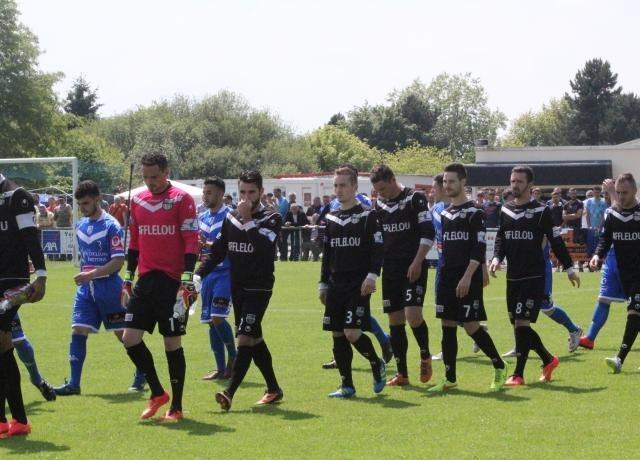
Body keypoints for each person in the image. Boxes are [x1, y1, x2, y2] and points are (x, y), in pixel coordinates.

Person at [120, 152, 199, 422]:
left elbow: (191, 241)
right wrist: (128, 277)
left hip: (173, 283)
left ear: (166, 172)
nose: (150, 182)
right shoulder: (138, 200)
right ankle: (157, 392)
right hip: (146, 281)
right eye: (145, 177)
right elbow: (134, 244)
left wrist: (187, 278)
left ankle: (175, 406)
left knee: (171, 343)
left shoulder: (182, 199)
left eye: (154, 176)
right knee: (129, 339)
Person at [197, 171, 283, 411]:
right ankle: (274, 389)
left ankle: (229, 392)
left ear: (261, 192)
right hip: (238, 286)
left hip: (260, 286)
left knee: (244, 337)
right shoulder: (231, 217)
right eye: (242, 192)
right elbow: (218, 251)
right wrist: (198, 273)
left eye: (251, 192)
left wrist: (247, 221)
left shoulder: (272, 218)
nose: (246, 197)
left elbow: (264, 249)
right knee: (254, 338)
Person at [489, 166, 579, 386]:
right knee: (519, 326)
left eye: (519, 181)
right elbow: (501, 237)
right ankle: (548, 359)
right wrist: (496, 258)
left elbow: (555, 240)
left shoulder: (541, 211)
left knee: (521, 323)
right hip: (513, 276)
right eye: (513, 181)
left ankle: (518, 374)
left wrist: (568, 267)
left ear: (530, 185)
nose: (515, 185)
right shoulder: (506, 210)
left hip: (534, 275)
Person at [54, 181, 145, 396]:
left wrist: (91, 274)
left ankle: (142, 372)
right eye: (79, 204)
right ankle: (74, 384)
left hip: (109, 288)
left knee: (123, 336)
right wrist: (87, 277)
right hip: (87, 289)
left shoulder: (112, 226)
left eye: (85, 203)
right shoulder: (81, 226)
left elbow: (118, 262)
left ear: (96, 199)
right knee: (78, 330)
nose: (82, 208)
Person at [429, 163, 507, 393]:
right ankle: (449, 377)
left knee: (471, 326)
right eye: (445, 181)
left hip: (467, 277)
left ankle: (499, 365)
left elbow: (478, 247)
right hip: (446, 274)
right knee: (447, 325)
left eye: (452, 181)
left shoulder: (475, 212)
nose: (447, 185)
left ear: (463, 182)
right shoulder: (444, 212)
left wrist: (468, 275)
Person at [319, 166, 386, 398]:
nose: (339, 190)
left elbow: (378, 249)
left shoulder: (368, 215)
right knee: (337, 334)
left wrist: (372, 275)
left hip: (358, 284)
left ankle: (376, 362)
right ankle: (347, 384)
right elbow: (327, 254)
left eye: (343, 185)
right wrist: (322, 283)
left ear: (355, 187)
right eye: (336, 185)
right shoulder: (331, 217)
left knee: (351, 332)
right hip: (335, 284)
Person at [370, 165, 435, 386]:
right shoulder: (379, 204)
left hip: (413, 265)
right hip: (390, 269)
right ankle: (402, 374)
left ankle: (425, 354)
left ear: (392, 180)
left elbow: (428, 232)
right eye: (377, 190)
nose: (380, 193)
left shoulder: (414, 198)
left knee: (413, 315)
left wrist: (418, 261)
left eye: (383, 188)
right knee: (395, 320)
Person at [0, 172, 50, 436]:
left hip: (13, 283)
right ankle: (14, 420)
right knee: (4, 345)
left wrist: (41, 275)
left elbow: (31, 237)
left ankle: (16, 420)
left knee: (2, 341)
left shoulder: (16, 196)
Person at [590, 173, 640, 373]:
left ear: (635, 191)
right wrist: (597, 255)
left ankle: (619, 358)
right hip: (625, 272)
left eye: (624, 193)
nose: (620, 196)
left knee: (634, 311)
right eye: (617, 193)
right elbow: (606, 238)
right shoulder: (612, 213)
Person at [198, 177, 237, 380]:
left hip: (226, 272)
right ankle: (221, 368)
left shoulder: (230, 216)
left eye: (210, 192)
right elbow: (201, 245)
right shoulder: (202, 217)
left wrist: (209, 244)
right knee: (210, 322)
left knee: (217, 317)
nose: (206, 196)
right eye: (205, 192)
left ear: (221, 194)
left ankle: (234, 357)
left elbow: (231, 246)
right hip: (208, 275)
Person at [580, 179, 625, 350]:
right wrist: (598, 255)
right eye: (612, 193)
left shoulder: (634, 209)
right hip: (612, 259)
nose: (613, 195)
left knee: (636, 304)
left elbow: (622, 213)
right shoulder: (608, 210)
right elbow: (607, 236)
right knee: (603, 298)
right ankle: (590, 338)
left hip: (632, 260)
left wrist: (613, 192)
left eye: (618, 192)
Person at [584, 185, 608, 260]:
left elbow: (604, 215)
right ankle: (591, 262)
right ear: (593, 192)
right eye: (595, 192)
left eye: (598, 192)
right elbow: (587, 215)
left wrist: (600, 227)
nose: (596, 193)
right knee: (591, 245)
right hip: (591, 228)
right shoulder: (589, 201)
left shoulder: (604, 201)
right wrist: (589, 226)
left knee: (600, 244)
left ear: (600, 192)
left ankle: (601, 261)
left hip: (601, 227)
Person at [273, 188, 289, 261]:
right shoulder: (276, 200)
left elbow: (281, 212)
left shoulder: (284, 200)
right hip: (276, 223)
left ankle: (284, 257)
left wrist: (275, 206)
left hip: (282, 223)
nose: (274, 194)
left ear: (279, 192)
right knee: (278, 241)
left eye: (275, 192)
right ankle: (281, 256)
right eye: (274, 192)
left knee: (283, 241)